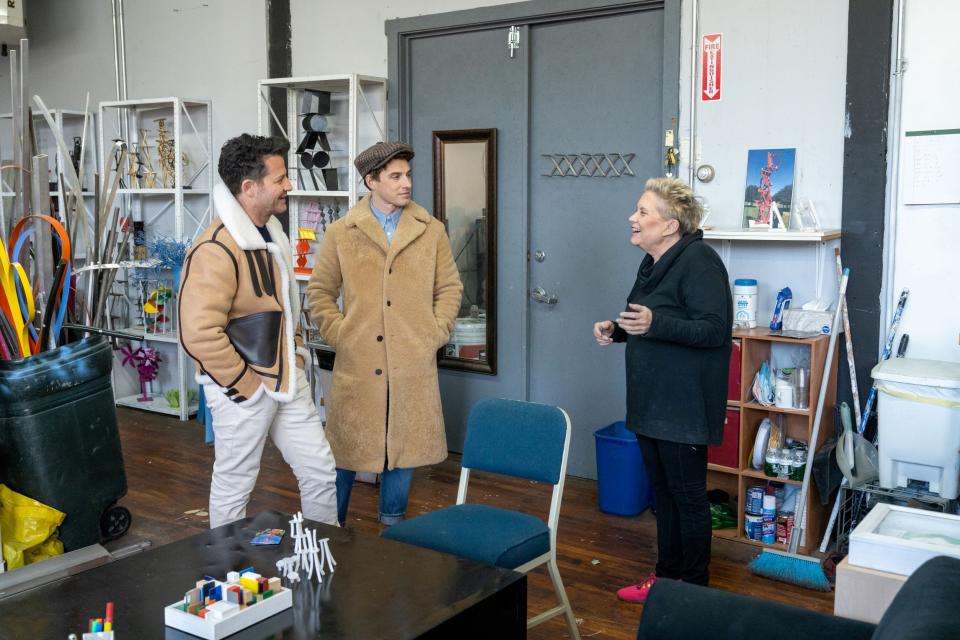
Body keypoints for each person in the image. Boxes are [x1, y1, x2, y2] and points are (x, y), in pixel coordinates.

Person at [179, 133, 338, 528]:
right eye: (280, 178)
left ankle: (328, 559)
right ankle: (225, 575)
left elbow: (283, 307)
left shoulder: (274, 234)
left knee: (320, 472)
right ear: (249, 187)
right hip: (243, 391)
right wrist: (246, 387)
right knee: (236, 485)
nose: (289, 185)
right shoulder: (215, 248)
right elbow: (197, 333)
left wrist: (296, 354)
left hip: (287, 378)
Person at [306, 141, 463, 526]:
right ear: (370, 181)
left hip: (411, 360)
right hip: (358, 362)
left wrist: (435, 331)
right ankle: (329, 529)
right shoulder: (343, 232)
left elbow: (450, 288)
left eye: (407, 175)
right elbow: (320, 292)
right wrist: (341, 334)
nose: (406, 183)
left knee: (403, 451)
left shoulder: (431, 231)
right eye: (395, 176)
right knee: (344, 454)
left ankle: (392, 529)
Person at [593, 177, 731, 602]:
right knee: (663, 496)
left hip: (683, 405)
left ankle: (695, 593)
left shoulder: (700, 261)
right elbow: (647, 320)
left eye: (642, 212)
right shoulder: (653, 263)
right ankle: (667, 580)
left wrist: (655, 324)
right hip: (651, 402)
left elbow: (714, 329)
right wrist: (618, 331)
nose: (632, 218)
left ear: (670, 225)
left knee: (687, 499)